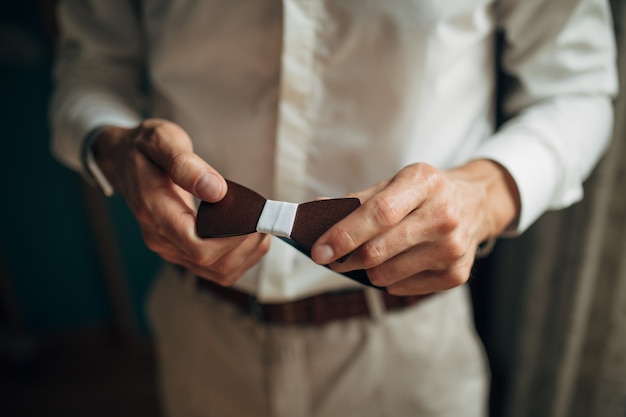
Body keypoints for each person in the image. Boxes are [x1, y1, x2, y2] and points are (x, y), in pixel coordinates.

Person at [50, 1, 617, 416]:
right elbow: (88, 67)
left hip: (410, 352)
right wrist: (115, 147)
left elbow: (578, 87)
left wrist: (485, 194)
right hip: (200, 336)